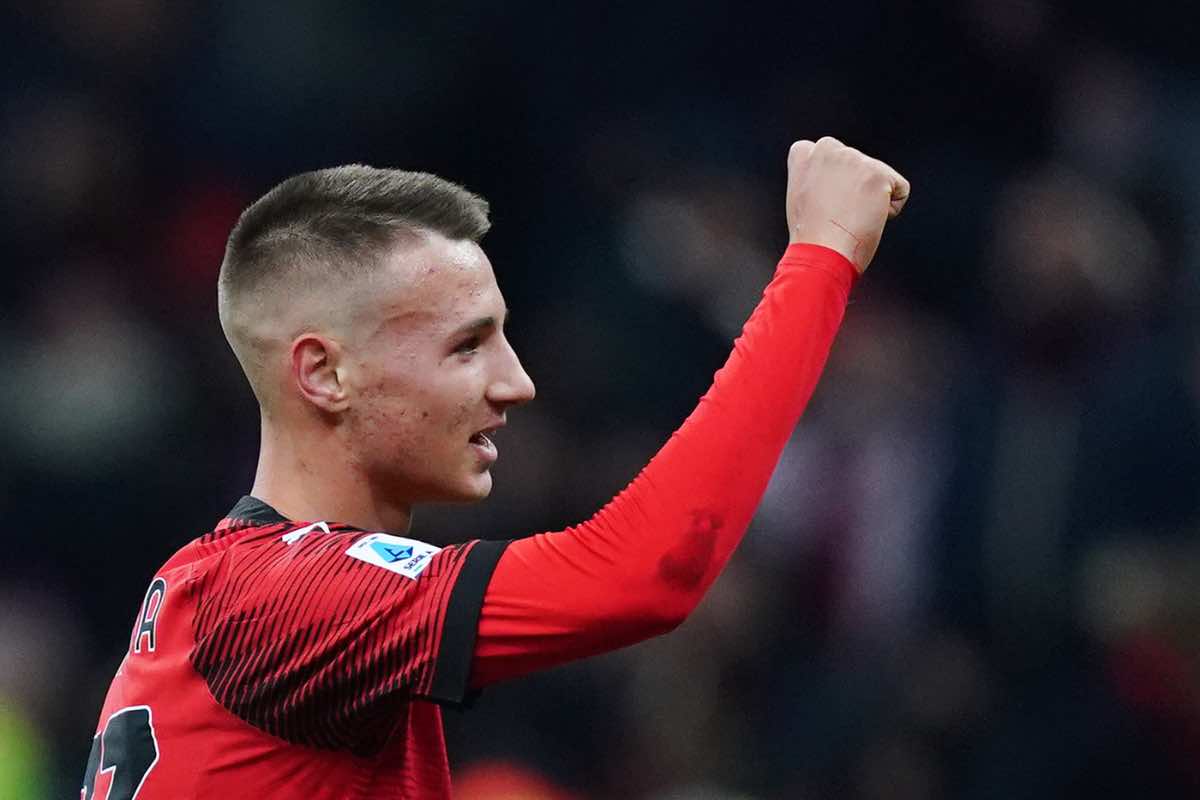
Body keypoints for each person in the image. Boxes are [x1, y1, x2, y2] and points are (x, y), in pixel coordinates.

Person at [81, 137, 908, 800]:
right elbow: (644, 573)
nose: (516, 383)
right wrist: (821, 258)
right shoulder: (289, 596)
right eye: (466, 345)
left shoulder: (218, 585)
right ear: (325, 374)